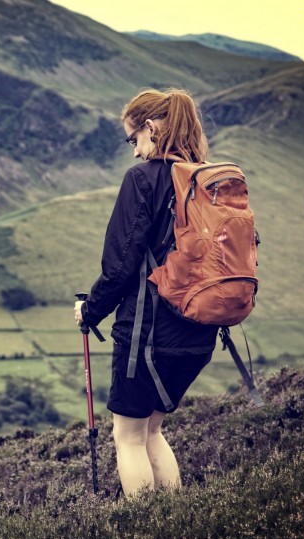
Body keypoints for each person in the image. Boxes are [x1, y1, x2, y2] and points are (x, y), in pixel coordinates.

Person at [73, 88, 219, 496]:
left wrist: (90, 310)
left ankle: (145, 530)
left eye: (133, 139)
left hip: (147, 337)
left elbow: (119, 266)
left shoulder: (143, 180)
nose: (135, 152)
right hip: (199, 333)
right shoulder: (205, 180)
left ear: (152, 129)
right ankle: (173, 522)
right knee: (152, 430)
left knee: (129, 436)